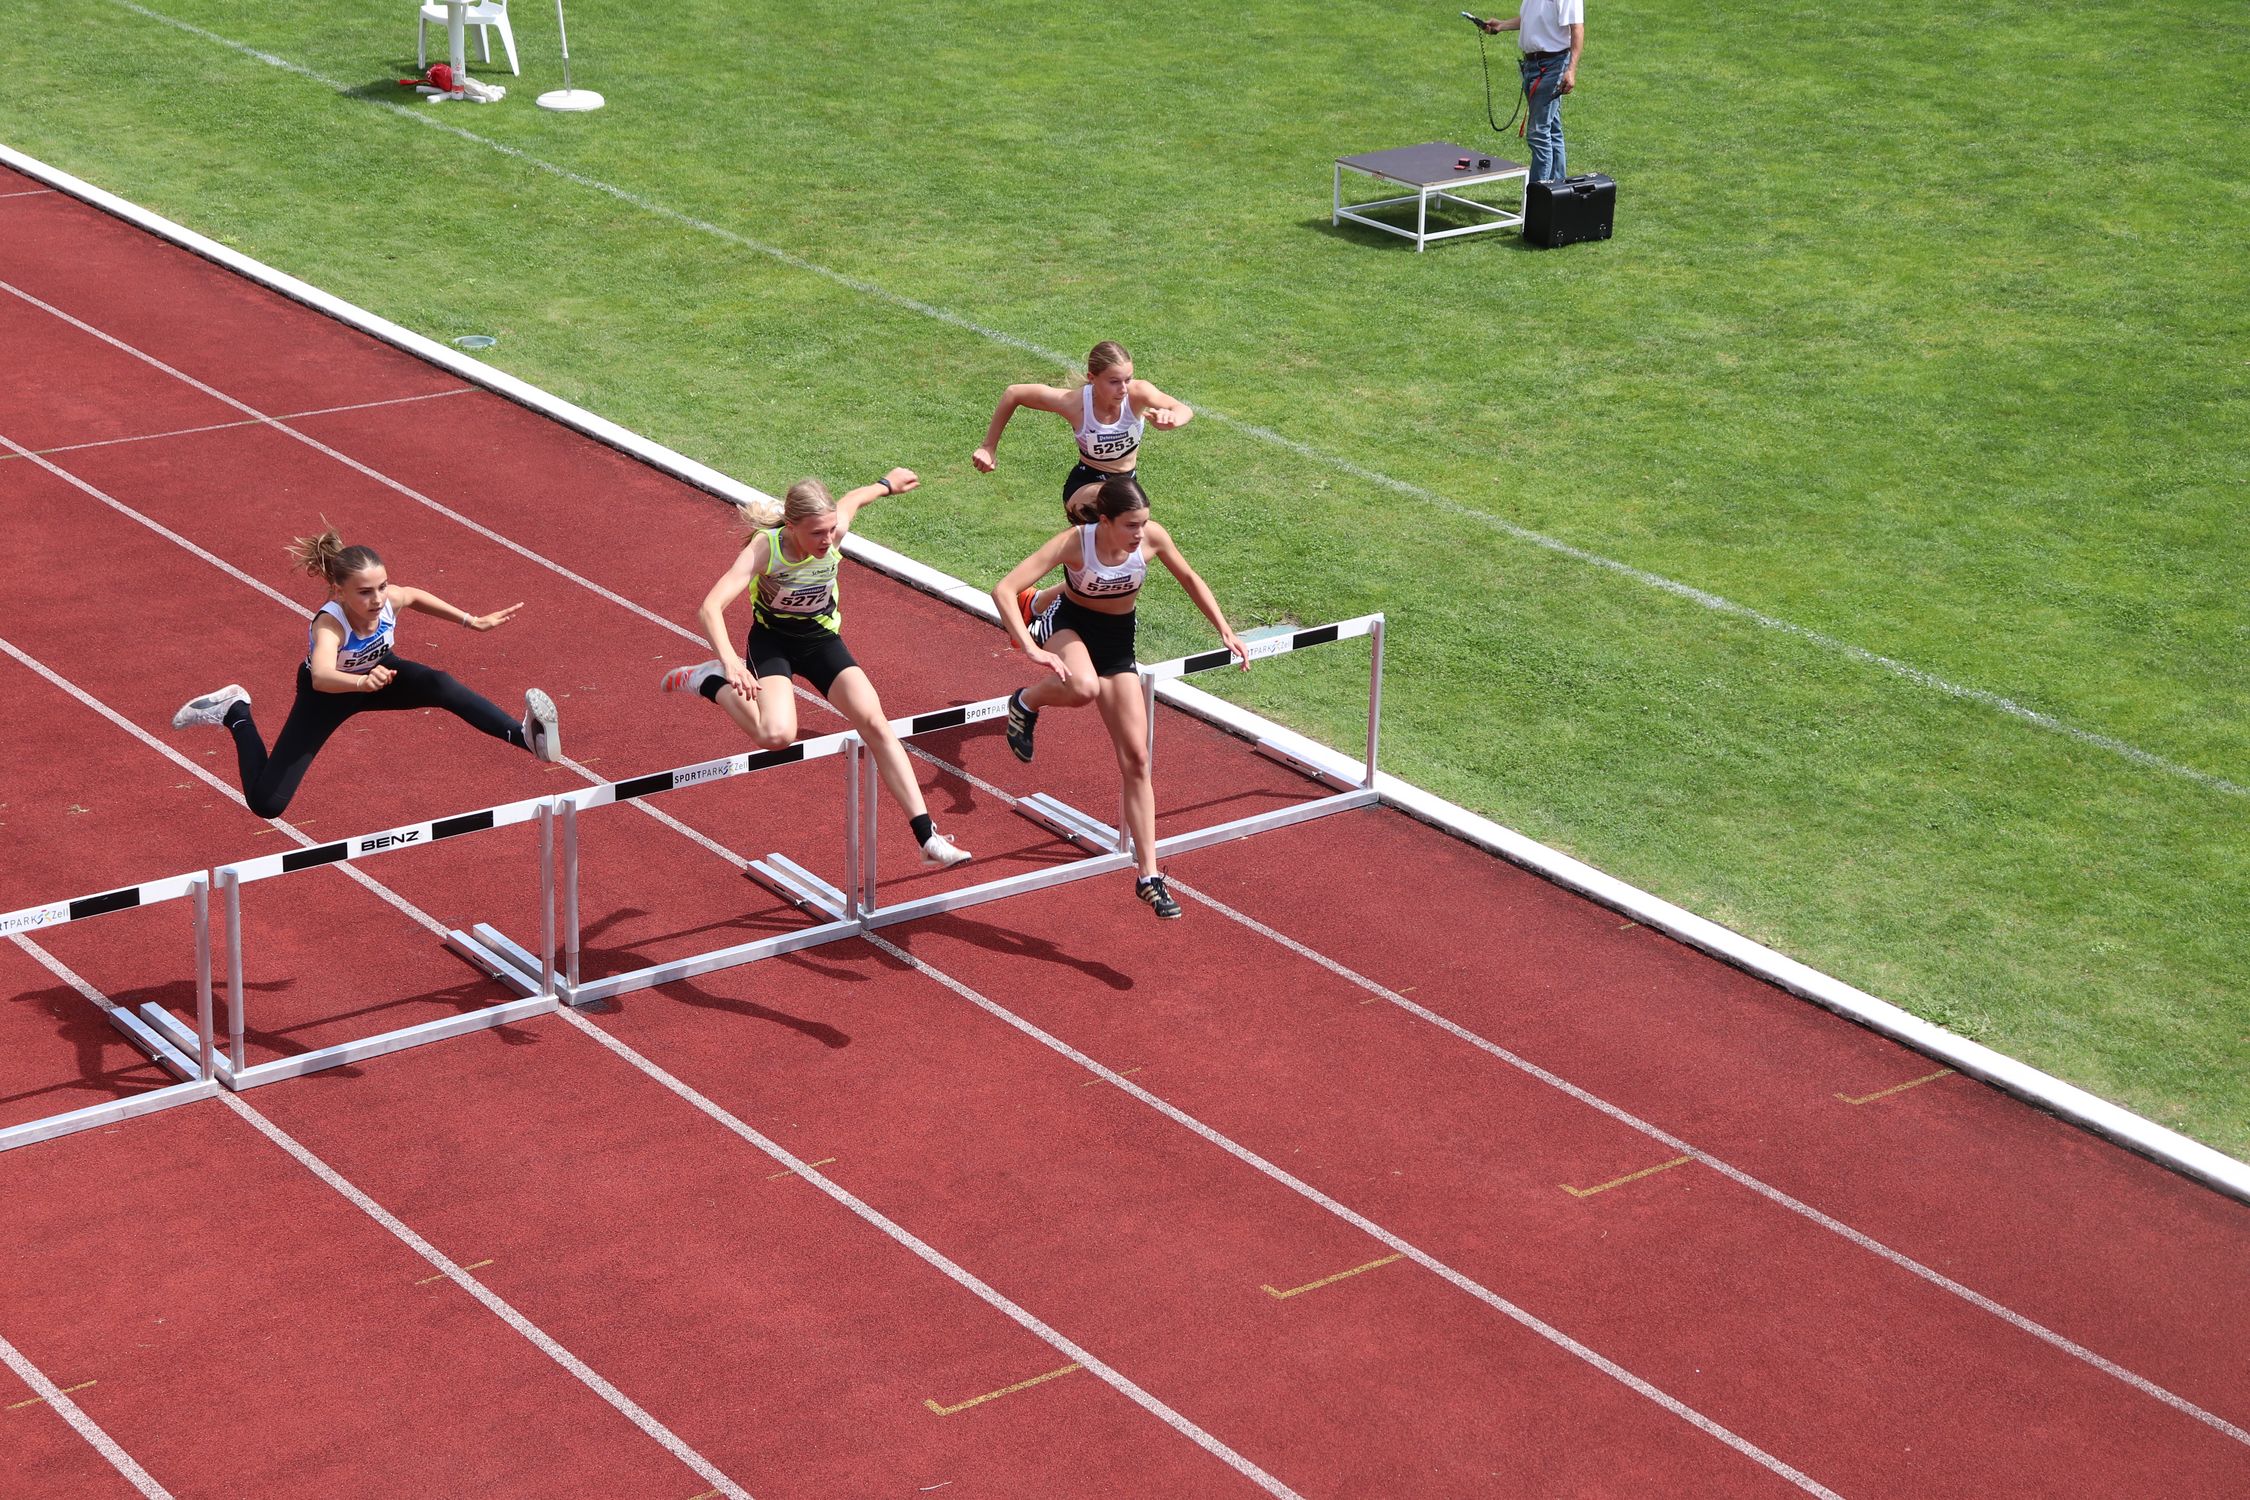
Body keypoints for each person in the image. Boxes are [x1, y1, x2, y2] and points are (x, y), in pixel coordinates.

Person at [660, 470, 972, 870]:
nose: (828, 541)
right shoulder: (765, 548)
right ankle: (709, 681)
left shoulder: (834, 530)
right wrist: (729, 661)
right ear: (791, 526)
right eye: (817, 534)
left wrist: (885, 484)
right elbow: (710, 608)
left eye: (830, 531)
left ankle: (927, 837)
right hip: (773, 642)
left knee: (875, 722)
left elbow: (854, 500)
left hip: (820, 641)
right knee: (776, 735)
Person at [991, 473, 1247, 920]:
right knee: (1083, 688)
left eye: (1144, 524)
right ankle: (1027, 700)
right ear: (1105, 521)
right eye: (1131, 525)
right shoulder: (1076, 542)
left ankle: (1148, 876)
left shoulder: (1151, 539)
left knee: (1137, 759)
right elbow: (1004, 589)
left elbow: (1188, 575)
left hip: (1117, 644)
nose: (1140, 534)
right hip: (1068, 625)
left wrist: (1224, 628)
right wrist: (1030, 647)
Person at [171, 525, 560, 819]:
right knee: (266, 804)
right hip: (326, 697)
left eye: (381, 587)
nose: (376, 599)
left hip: (380, 676)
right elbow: (322, 675)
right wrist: (360, 682)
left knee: (439, 684)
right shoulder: (330, 624)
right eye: (364, 592)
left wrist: (471, 621)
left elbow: (414, 595)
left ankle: (523, 736)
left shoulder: (388, 598)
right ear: (339, 593)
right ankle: (236, 712)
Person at [1482, 2, 1584, 185]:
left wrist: (1571, 70)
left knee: (1538, 132)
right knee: (1552, 130)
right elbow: (1532, 20)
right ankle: (1557, 191)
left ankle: (1538, 196)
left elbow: (1577, 28)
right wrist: (1502, 25)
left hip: (1552, 66)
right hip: (1532, 66)